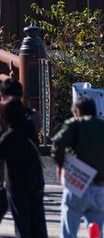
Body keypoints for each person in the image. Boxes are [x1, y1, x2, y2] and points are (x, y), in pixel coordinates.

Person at [0, 97, 48, 238]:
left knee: (22, 224)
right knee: (37, 222)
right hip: (35, 181)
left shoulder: (9, 136)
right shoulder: (29, 128)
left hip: (17, 185)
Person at [51, 94, 104, 238]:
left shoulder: (75, 124)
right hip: (99, 187)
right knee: (97, 233)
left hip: (77, 186)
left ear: (78, 112)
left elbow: (57, 144)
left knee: (69, 232)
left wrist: (60, 164)